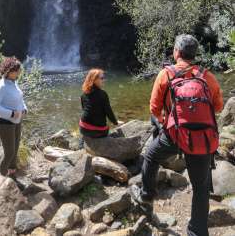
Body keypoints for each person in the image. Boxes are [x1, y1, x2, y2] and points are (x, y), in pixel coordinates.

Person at [131, 34, 223, 236]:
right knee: (201, 187)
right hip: (201, 139)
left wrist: (167, 122)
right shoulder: (207, 76)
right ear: (194, 54)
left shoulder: (166, 74)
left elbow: (154, 108)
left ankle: (146, 195)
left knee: (151, 155)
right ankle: (197, 232)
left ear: (176, 52)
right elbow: (218, 106)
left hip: (174, 135)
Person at [0, 56, 27, 176]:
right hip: (5, 124)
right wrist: (11, 113)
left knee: (14, 152)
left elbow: (19, 97)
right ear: (9, 71)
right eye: (17, 70)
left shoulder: (13, 82)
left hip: (16, 121)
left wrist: (24, 108)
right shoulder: (2, 86)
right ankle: (1, 178)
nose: (19, 72)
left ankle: (12, 175)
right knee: (9, 153)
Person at [79, 68, 123, 138]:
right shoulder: (102, 94)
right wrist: (116, 123)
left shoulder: (84, 94)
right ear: (94, 80)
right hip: (97, 132)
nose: (104, 80)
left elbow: (84, 109)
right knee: (108, 129)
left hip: (83, 128)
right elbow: (108, 111)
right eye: (102, 78)